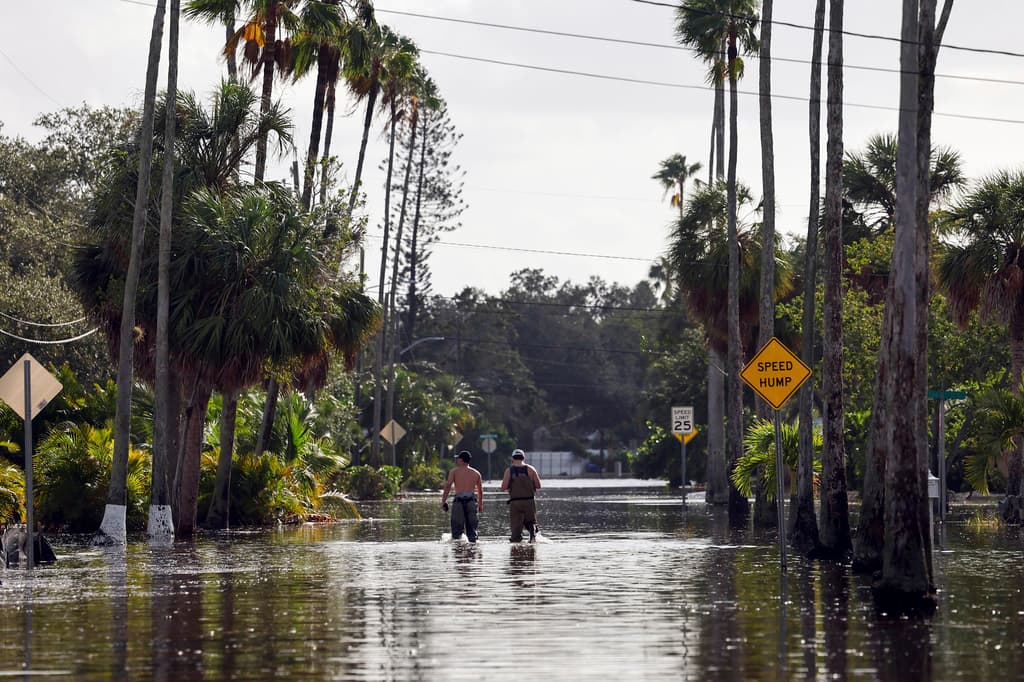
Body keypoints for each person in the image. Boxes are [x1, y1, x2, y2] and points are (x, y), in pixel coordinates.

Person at [441, 450, 484, 542]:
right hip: (471, 502)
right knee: (472, 533)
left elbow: (448, 485)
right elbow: (480, 491)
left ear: (461, 460)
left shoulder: (454, 471)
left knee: (456, 534)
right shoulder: (476, 473)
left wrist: (444, 501)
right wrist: (480, 505)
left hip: (458, 502)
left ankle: (458, 552)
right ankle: (472, 552)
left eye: (458, 458)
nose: (457, 460)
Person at [500, 449, 542, 542]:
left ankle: (516, 543)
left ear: (512, 458)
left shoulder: (509, 470)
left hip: (515, 502)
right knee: (531, 521)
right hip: (529, 501)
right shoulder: (531, 469)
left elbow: (503, 488)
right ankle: (533, 531)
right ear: (523, 457)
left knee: (516, 527)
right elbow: (538, 486)